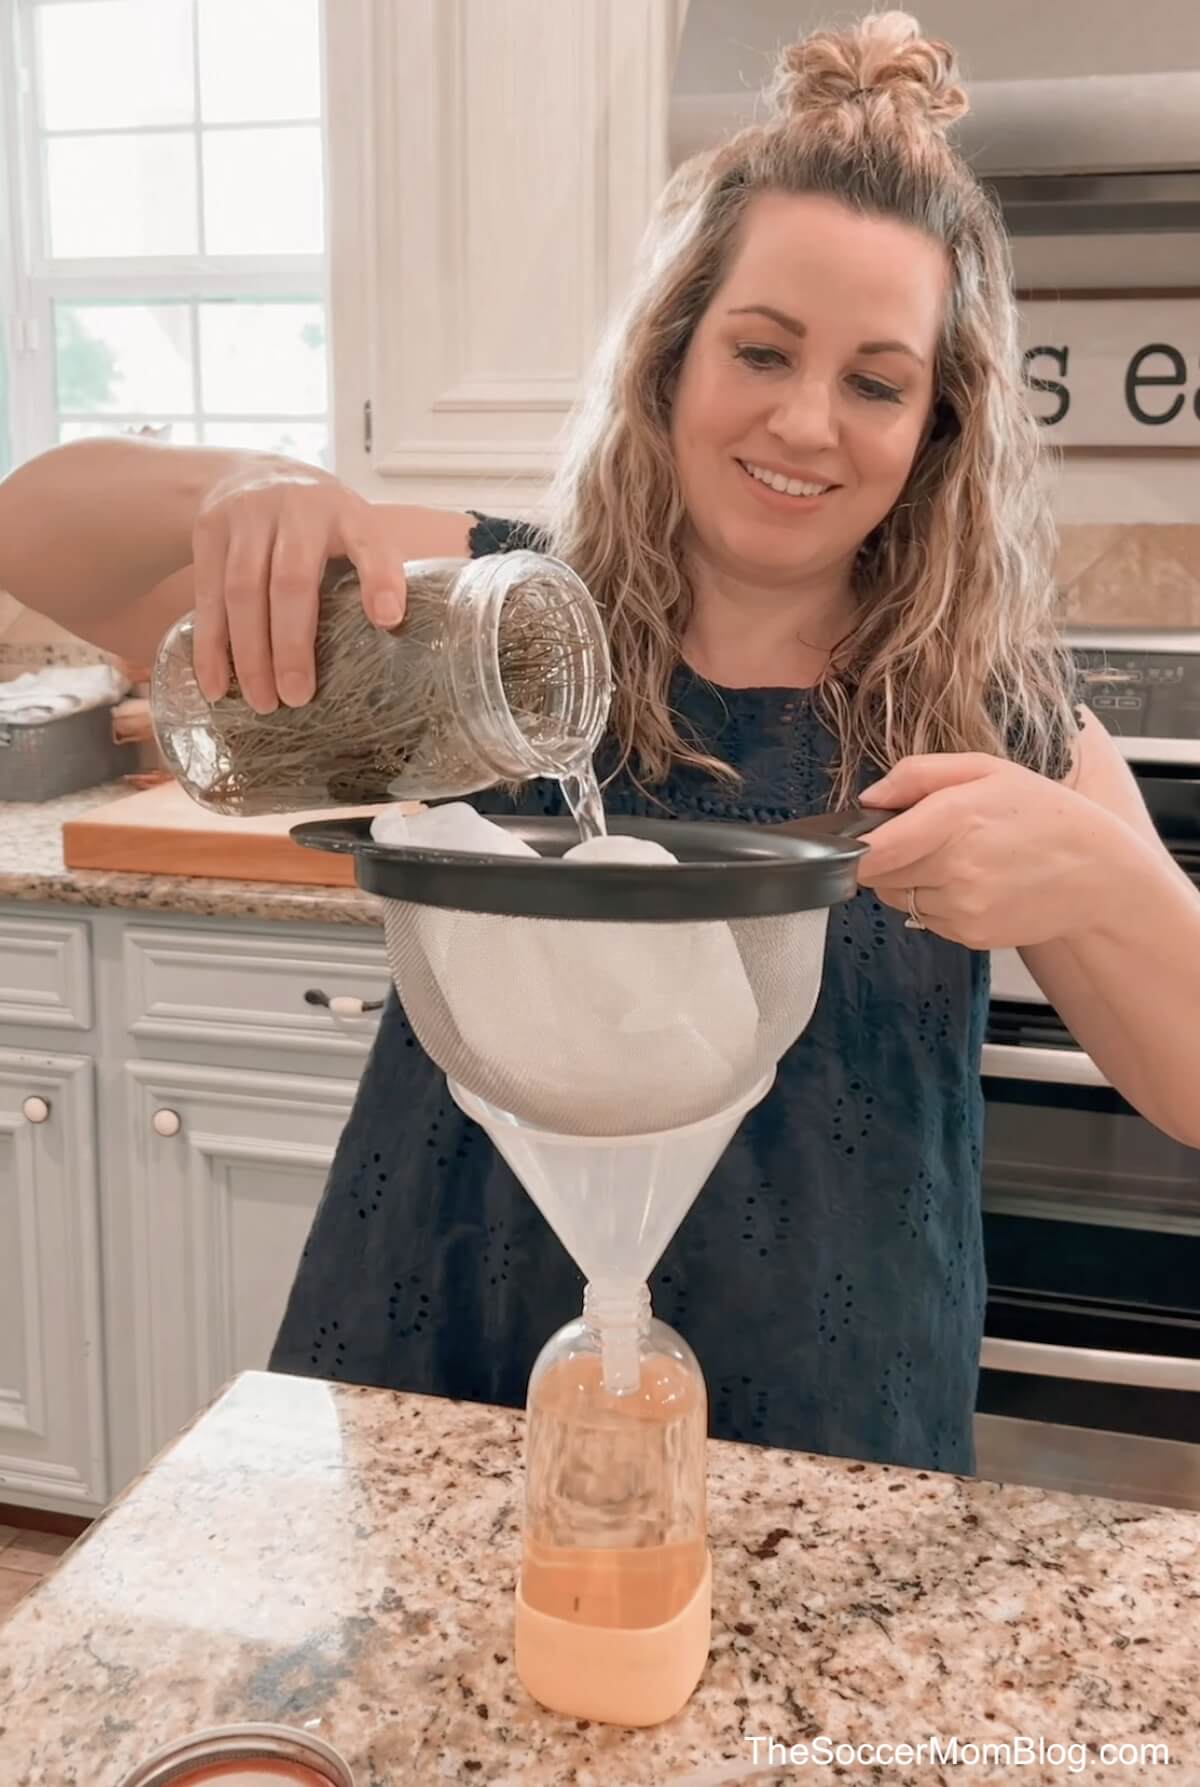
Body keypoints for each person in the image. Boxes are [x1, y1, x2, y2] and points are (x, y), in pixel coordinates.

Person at [3, 12, 1199, 1475]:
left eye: (877, 381)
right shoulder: (485, 616)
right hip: (440, 1368)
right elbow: (37, 532)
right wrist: (245, 484)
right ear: (671, 360)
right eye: (761, 350)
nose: (807, 423)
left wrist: (1109, 885)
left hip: (823, 1422)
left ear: (938, 427)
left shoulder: (994, 714)